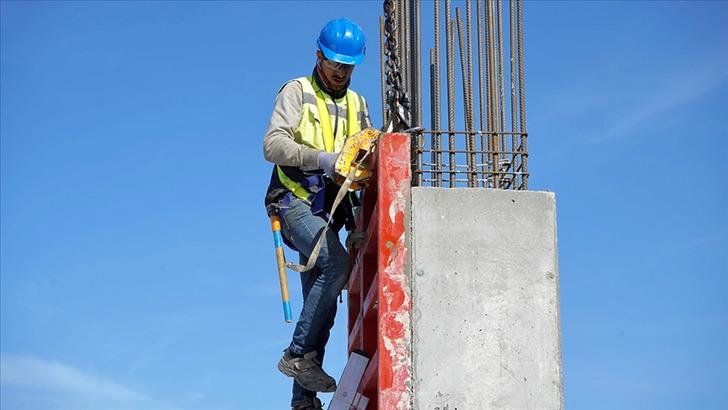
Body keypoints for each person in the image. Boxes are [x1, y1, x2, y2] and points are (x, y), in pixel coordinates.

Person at [262, 18, 371, 410]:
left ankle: (302, 402)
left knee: (321, 305)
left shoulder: (358, 105)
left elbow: (362, 167)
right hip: (294, 202)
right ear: (319, 56)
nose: (341, 72)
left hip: (332, 213)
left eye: (348, 66)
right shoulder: (298, 91)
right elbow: (273, 145)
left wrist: (359, 219)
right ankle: (295, 355)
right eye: (335, 63)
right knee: (333, 264)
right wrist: (319, 159)